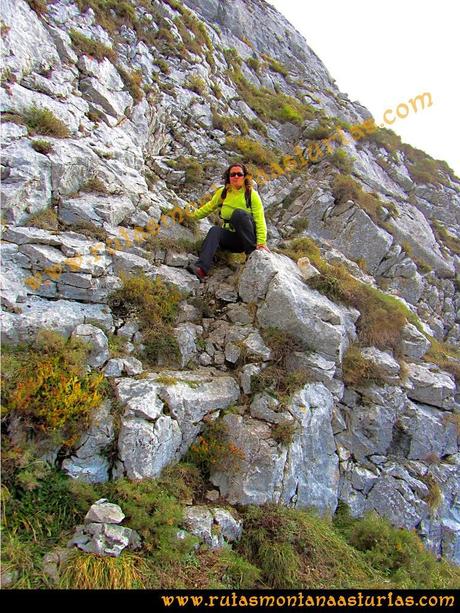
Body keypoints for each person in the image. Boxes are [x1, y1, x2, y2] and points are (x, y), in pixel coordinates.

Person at [186, 162, 270, 281]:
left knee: (239, 214)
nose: (236, 177)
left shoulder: (251, 195)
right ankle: (201, 269)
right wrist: (191, 216)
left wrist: (261, 242)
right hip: (233, 239)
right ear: (228, 177)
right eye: (232, 174)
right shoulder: (223, 192)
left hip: (248, 239)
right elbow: (209, 207)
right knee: (215, 230)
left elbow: (260, 220)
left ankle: (251, 254)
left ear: (245, 177)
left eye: (239, 174)